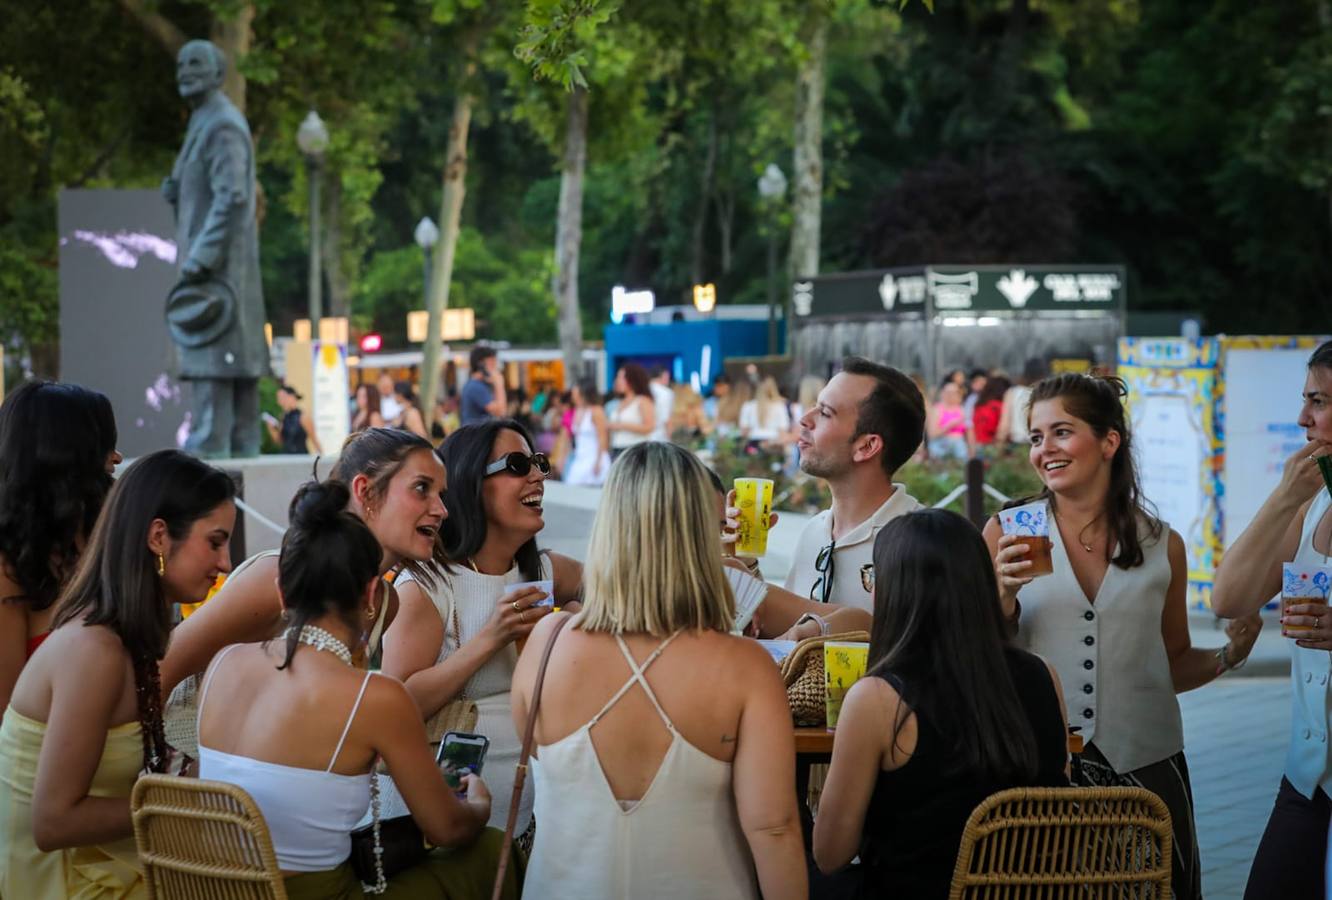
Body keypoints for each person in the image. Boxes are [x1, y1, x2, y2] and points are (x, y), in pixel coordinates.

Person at [982, 372, 1263, 900]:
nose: (1045, 449)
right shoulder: (1007, 531)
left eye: (1062, 432)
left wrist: (1231, 654)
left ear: (1109, 441)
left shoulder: (1162, 544)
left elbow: (1171, 663)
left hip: (1146, 767)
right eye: (1037, 437)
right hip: (1039, 765)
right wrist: (1000, 595)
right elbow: (977, 654)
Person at [195, 480, 518, 899]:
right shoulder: (375, 696)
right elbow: (447, 829)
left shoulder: (222, 664)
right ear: (370, 593)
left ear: (282, 592)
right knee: (494, 850)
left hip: (211, 889)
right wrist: (477, 806)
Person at [511, 442, 806, 900]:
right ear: (700, 539)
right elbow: (774, 830)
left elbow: (536, 758)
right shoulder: (743, 667)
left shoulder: (546, 643)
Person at [0, 450, 236, 899]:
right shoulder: (94, 652)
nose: (225, 563)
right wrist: (183, 798)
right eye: (215, 542)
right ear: (159, 537)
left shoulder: (122, 638)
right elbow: (52, 823)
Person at [814, 509, 1069, 899]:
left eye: (873, 577)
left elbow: (830, 854)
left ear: (894, 590)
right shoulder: (1044, 674)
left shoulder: (878, 699)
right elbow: (1058, 806)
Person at [160, 428, 447, 751]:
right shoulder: (275, 576)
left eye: (441, 494)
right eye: (421, 488)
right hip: (192, 768)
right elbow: (164, 669)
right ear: (364, 491)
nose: (441, 510)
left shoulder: (385, 602)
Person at [381, 419, 583, 838]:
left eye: (538, 462)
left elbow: (625, 591)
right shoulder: (428, 585)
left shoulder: (543, 571)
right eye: (518, 465)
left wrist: (574, 616)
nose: (538, 475)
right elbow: (396, 706)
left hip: (529, 816)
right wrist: (492, 636)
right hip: (444, 824)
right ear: (472, 485)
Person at [1210, 340, 1332, 900]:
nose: (1303, 418)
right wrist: (1284, 498)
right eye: (1306, 400)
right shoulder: (1314, 503)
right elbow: (1230, 598)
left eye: (1319, 402)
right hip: (1309, 775)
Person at [161, 40, 268, 458]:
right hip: (220, 264)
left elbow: (233, 197)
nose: (185, 71)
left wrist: (203, 255)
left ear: (219, 73)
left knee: (216, 346)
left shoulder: (221, 124)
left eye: (196, 63)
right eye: (181, 64)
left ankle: (212, 438)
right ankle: (239, 439)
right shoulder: (204, 121)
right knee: (226, 351)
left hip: (220, 266)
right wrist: (177, 191)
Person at [0, 381, 121, 713]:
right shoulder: (8, 566)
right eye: (104, 446)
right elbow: (5, 710)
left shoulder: (100, 540)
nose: (117, 458)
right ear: (63, 457)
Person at [784, 357, 926, 616]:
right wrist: (743, 562)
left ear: (867, 446)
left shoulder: (921, 543)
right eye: (815, 406)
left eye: (825, 413)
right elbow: (787, 631)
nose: (805, 419)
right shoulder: (813, 532)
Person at [563, 379, 611, 487]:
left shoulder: (596, 411)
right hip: (579, 457)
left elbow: (603, 437)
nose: (573, 395)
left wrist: (599, 461)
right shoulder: (577, 410)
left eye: (575, 392)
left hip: (594, 457)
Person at [607, 362, 656, 460]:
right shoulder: (620, 402)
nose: (618, 381)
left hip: (635, 449)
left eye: (622, 378)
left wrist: (621, 425)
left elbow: (649, 427)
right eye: (618, 377)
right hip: (616, 448)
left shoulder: (642, 401)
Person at [998, 358, 1047, 448]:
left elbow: (1004, 424)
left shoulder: (1012, 392)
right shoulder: (1046, 393)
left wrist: (999, 443)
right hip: (1040, 444)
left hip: (1017, 444)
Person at [740, 376, 793, 448]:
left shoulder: (748, 406)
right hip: (773, 444)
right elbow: (783, 431)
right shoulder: (779, 406)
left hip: (753, 444)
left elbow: (744, 431)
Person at [267, 383, 320, 454]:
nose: (279, 401)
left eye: (282, 398)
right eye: (278, 398)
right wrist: (272, 429)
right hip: (286, 457)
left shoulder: (303, 417)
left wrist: (321, 458)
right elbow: (280, 441)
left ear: (292, 397)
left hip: (300, 457)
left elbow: (314, 440)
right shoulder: (283, 417)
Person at [461, 346, 507, 426]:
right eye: (492, 362)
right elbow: (501, 412)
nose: (495, 366)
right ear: (481, 364)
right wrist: (499, 384)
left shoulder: (480, 384)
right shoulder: (475, 386)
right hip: (476, 432)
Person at [926, 381, 969, 460]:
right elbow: (932, 434)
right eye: (948, 392)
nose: (951, 395)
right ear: (943, 393)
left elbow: (968, 432)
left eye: (954, 392)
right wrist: (949, 425)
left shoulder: (961, 409)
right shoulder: (937, 409)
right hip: (941, 446)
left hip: (960, 447)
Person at [968, 374, 1010, 452]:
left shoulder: (979, 404)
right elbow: (1001, 429)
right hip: (992, 445)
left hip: (977, 444)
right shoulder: (998, 406)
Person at [649, 366, 674, 441]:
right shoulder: (666, 392)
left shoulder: (641, 390)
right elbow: (666, 418)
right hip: (659, 436)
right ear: (664, 376)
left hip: (641, 437)